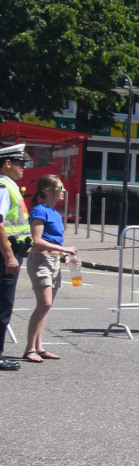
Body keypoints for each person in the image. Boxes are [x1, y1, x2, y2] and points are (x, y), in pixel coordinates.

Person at [20, 175, 77, 364]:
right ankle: (29, 349)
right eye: (60, 187)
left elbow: (55, 241)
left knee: (46, 306)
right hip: (40, 260)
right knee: (44, 303)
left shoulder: (55, 214)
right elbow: (37, 241)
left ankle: (39, 347)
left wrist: (64, 255)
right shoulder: (39, 211)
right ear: (47, 191)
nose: (64, 190)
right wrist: (65, 249)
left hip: (54, 260)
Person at [0, 144, 29, 371]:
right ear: (7, 163)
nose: (23, 168)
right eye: (20, 163)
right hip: (4, 254)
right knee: (3, 304)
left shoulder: (9, 185)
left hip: (10, 251)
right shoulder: (3, 186)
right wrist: (9, 256)